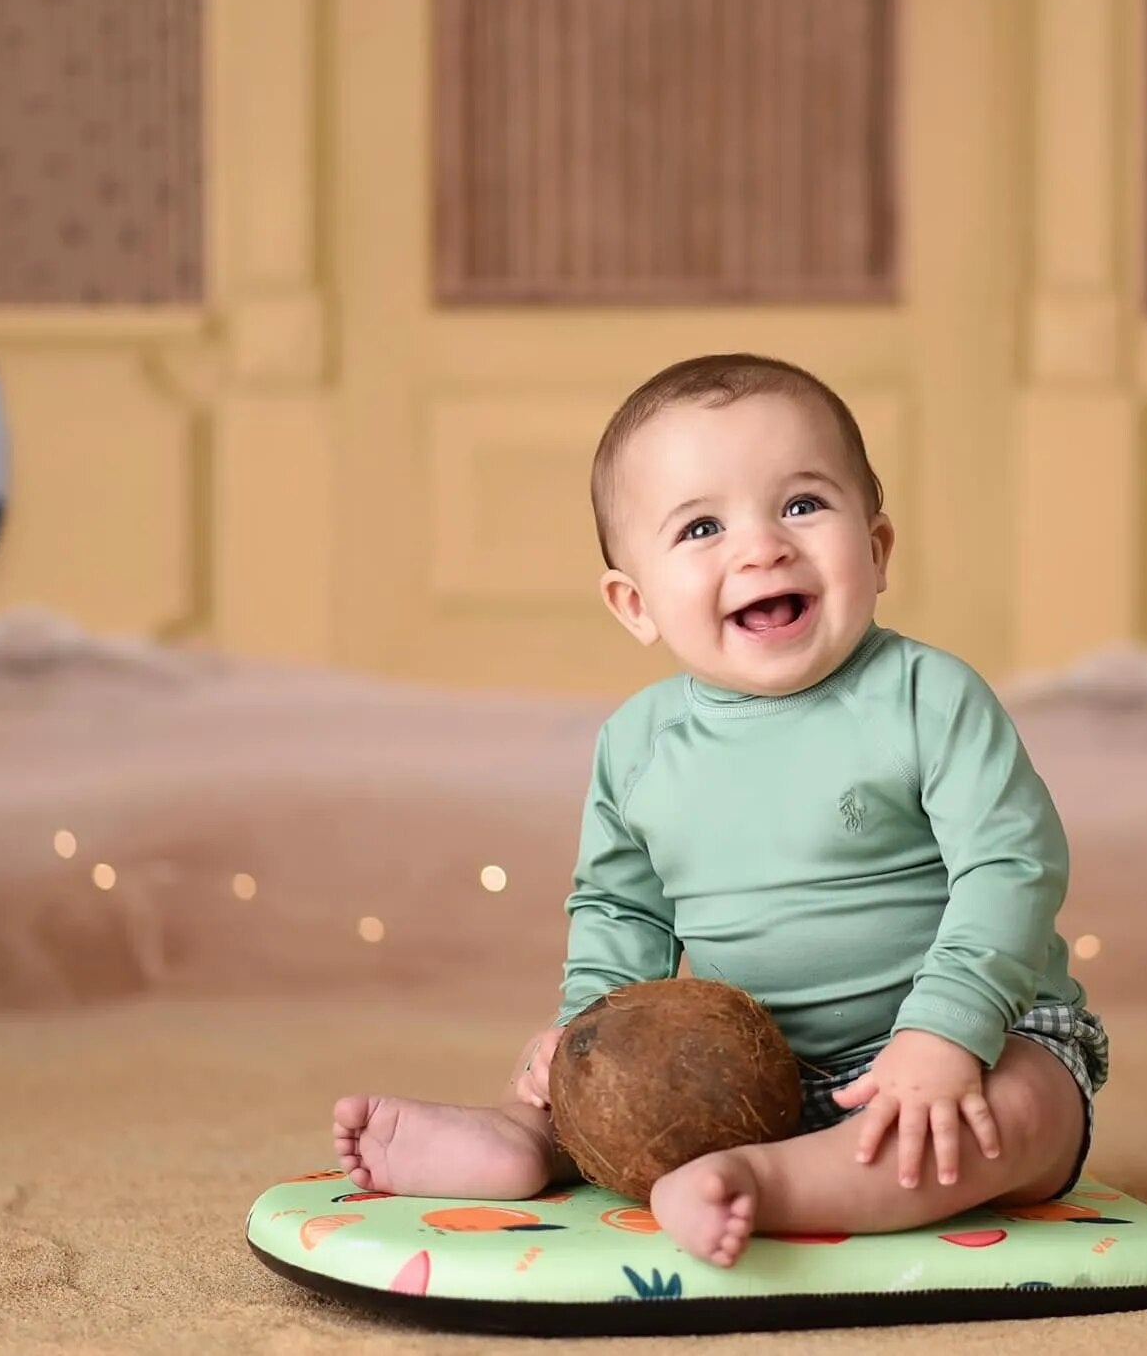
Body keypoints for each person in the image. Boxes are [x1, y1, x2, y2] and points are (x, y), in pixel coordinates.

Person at [332, 353, 1107, 1268]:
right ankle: (519, 1141)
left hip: (978, 1035)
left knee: (1017, 1119)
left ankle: (770, 1185)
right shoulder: (638, 743)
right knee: (615, 1091)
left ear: (878, 547)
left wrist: (946, 1029)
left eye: (803, 505)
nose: (762, 547)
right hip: (745, 1071)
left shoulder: (924, 696)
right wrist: (585, 1035)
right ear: (634, 602)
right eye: (702, 526)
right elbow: (621, 914)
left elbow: (1011, 865)